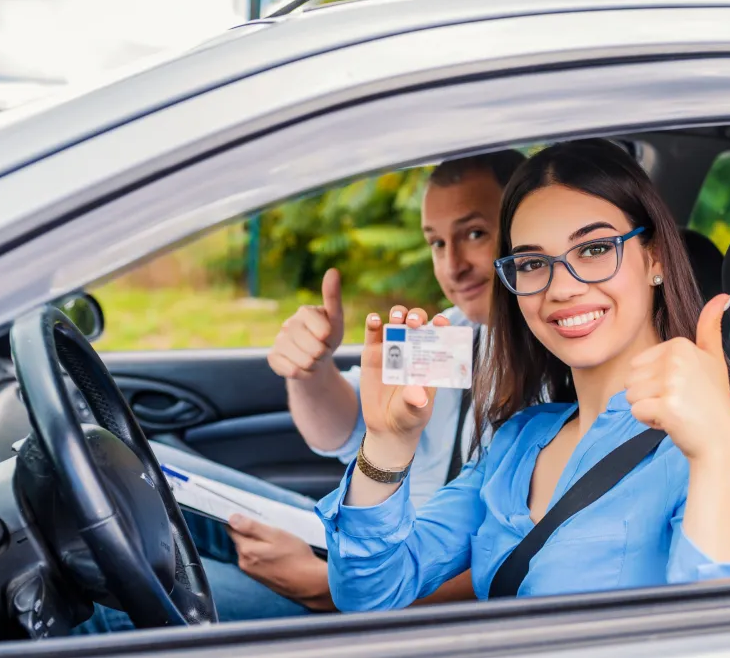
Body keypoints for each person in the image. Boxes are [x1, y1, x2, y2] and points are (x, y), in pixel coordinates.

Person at [316, 140, 730, 608]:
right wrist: (387, 444)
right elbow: (370, 593)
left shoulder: (729, 430)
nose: (561, 287)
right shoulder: (520, 440)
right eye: (532, 262)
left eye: (593, 249)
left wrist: (716, 451)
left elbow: (718, 636)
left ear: (655, 259)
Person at [74, 150, 525, 633]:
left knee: (99, 608)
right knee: (150, 468)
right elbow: (346, 428)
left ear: (523, 227)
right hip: (375, 544)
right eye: (436, 243)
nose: (452, 265)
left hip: (400, 599)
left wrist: (327, 588)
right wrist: (310, 369)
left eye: (474, 234)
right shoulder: (453, 334)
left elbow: (508, 566)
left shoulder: (558, 380)